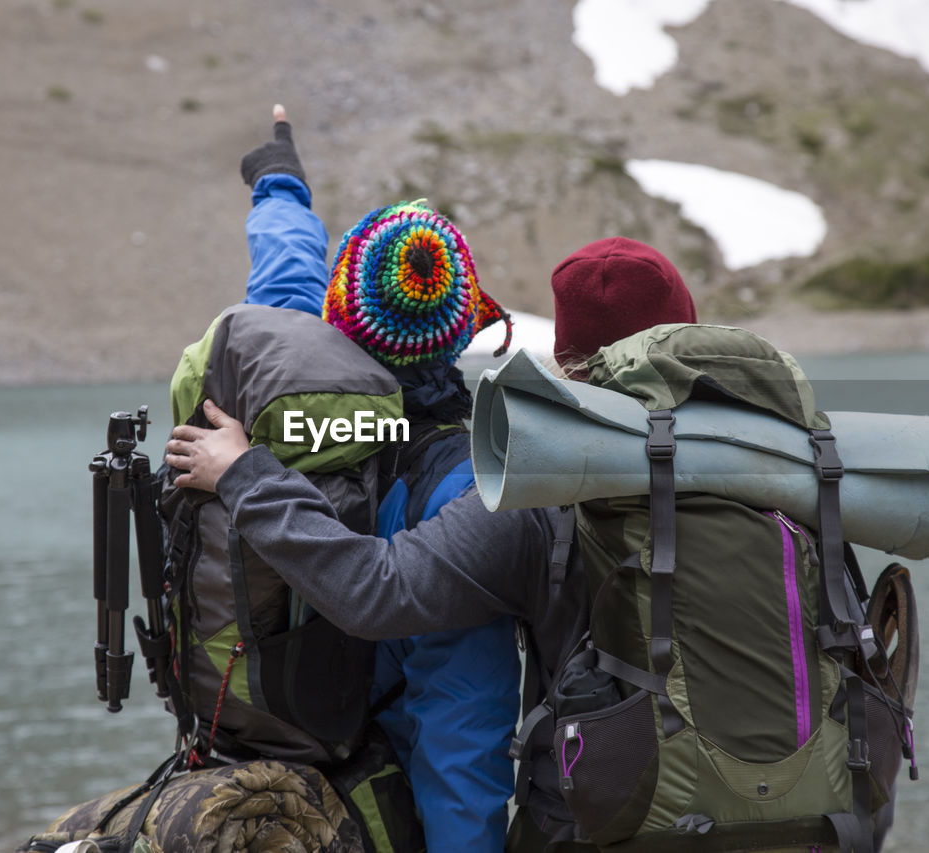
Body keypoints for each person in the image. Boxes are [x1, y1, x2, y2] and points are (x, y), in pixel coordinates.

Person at [166, 234, 701, 851]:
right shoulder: (781, 465)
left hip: (341, 789)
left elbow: (408, 633)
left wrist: (243, 475)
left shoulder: (298, 432)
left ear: (334, 321)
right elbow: (461, 728)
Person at [234, 105, 522, 853]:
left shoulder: (289, 396)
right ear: (462, 328)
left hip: (275, 769)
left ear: (339, 314)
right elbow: (463, 720)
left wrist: (278, 186)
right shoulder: (462, 484)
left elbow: (284, 280)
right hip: (379, 791)